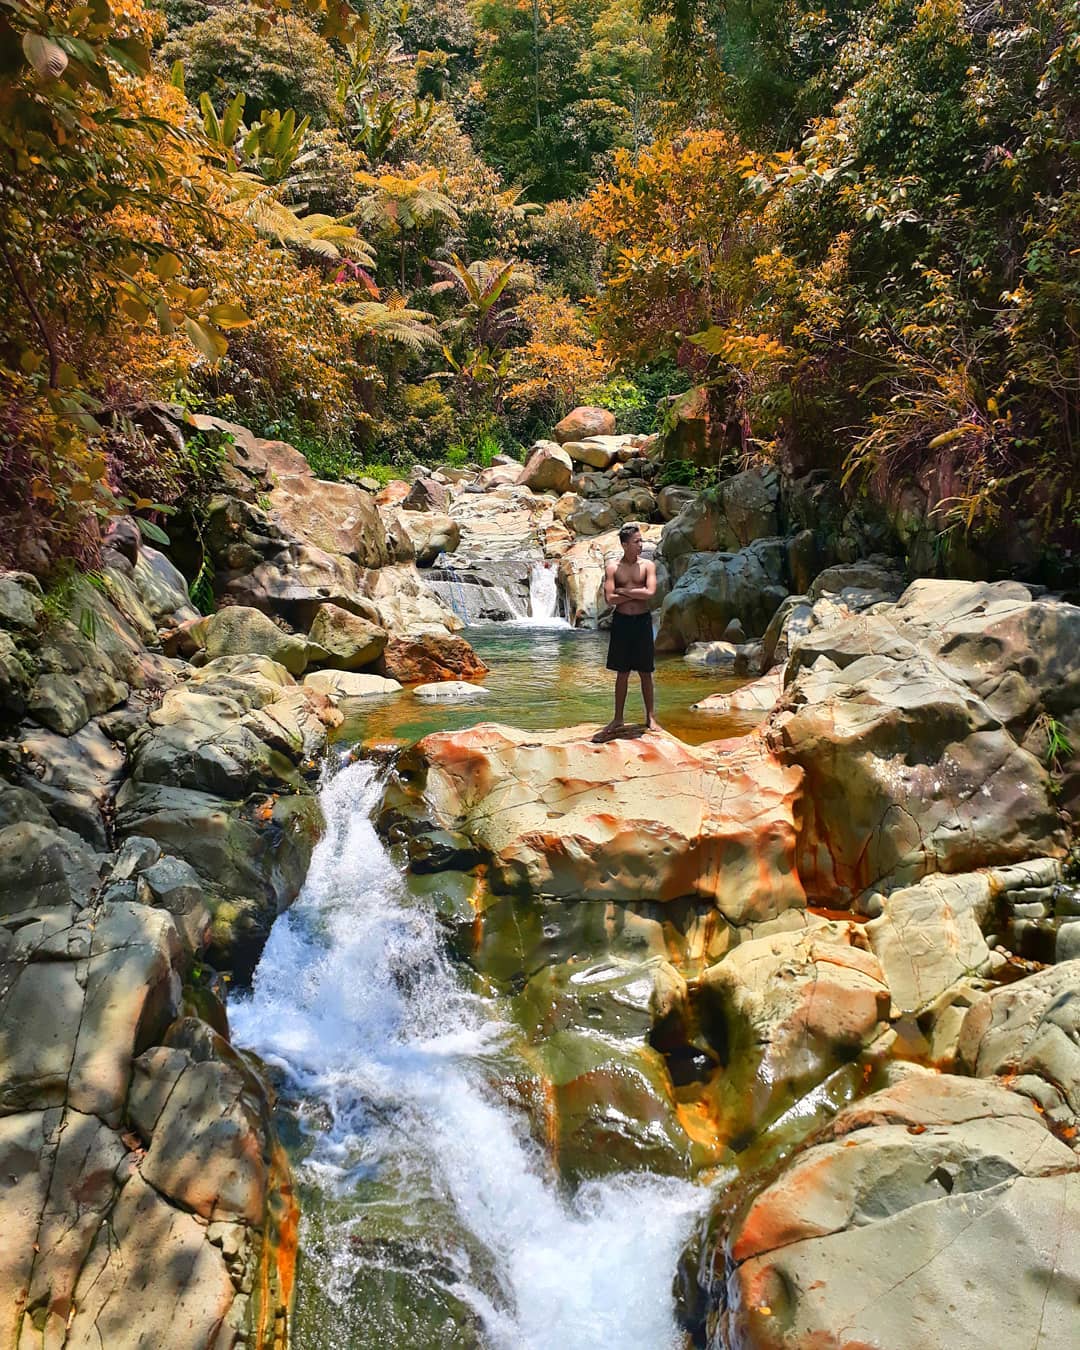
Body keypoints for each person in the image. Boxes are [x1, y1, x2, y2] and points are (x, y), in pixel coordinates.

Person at [595, 523, 659, 740]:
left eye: (641, 541)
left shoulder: (648, 566)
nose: (640, 545)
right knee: (622, 673)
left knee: (645, 672)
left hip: (642, 621)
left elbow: (650, 592)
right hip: (622, 622)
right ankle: (618, 717)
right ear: (624, 544)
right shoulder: (613, 568)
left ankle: (650, 717)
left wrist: (625, 591)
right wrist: (634, 593)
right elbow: (609, 598)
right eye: (636, 542)